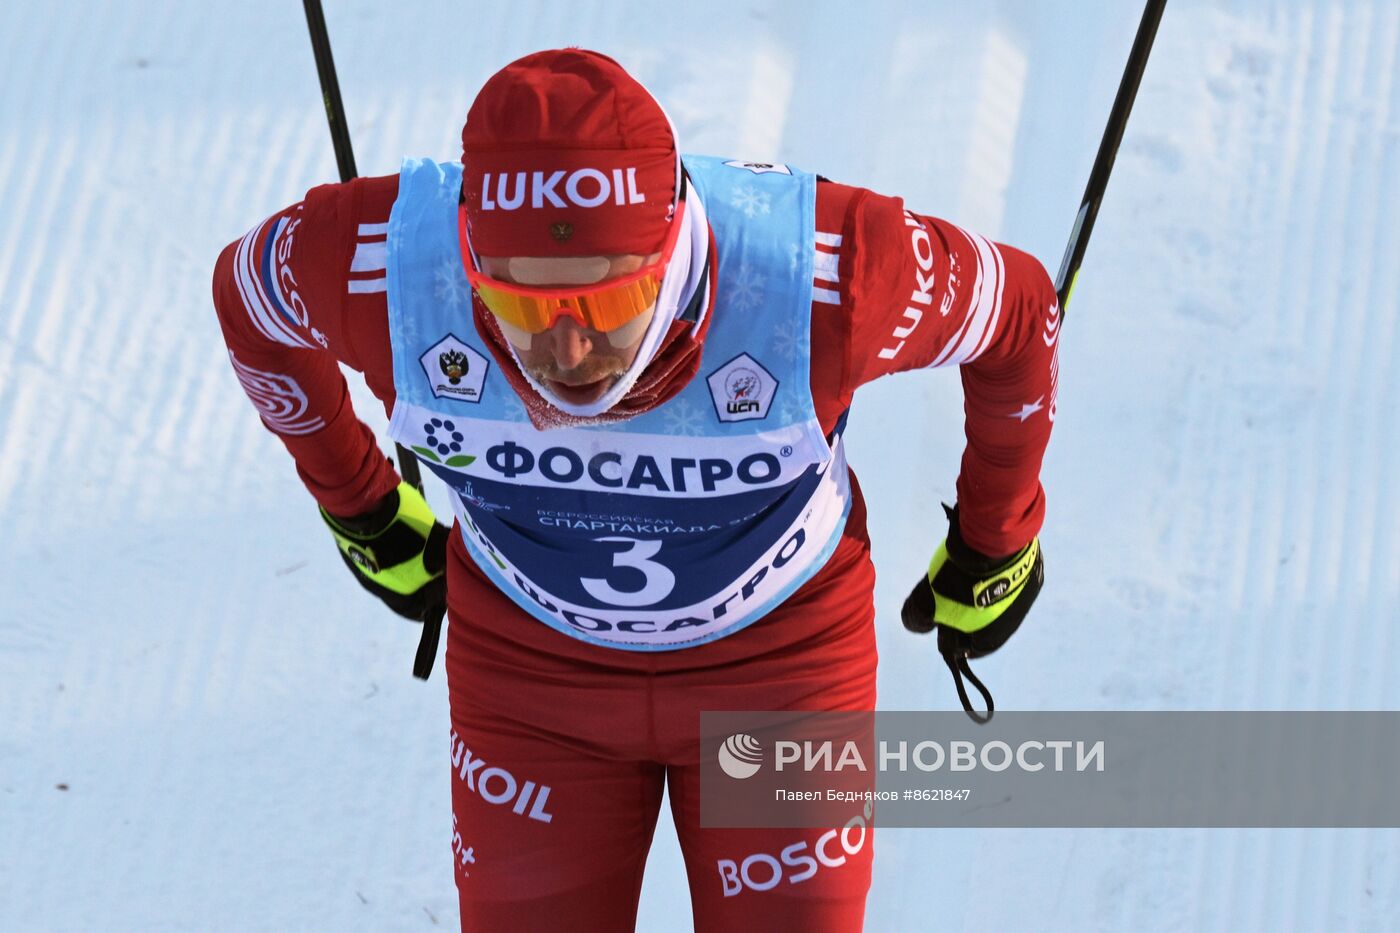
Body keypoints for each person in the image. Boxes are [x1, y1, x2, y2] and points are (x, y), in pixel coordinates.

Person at [212, 47, 1055, 933]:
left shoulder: (824, 273)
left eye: (608, 307)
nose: (568, 355)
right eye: (524, 309)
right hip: (530, 685)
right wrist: (362, 509)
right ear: (467, 255)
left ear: (674, 244)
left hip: (778, 676)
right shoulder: (380, 264)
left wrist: (997, 540)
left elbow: (1018, 316)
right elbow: (246, 302)